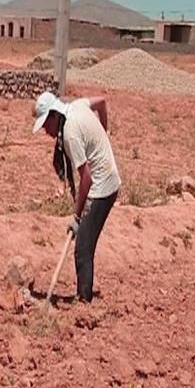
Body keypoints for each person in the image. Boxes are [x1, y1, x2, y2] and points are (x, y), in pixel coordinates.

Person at [32, 90, 120, 302]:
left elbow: (86, 178)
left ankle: (84, 301)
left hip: (102, 187)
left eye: (46, 125)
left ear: (54, 116)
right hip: (107, 178)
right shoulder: (78, 105)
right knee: (84, 244)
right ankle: (84, 297)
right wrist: (104, 132)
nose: (46, 131)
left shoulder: (70, 133)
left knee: (82, 248)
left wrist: (77, 216)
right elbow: (102, 101)